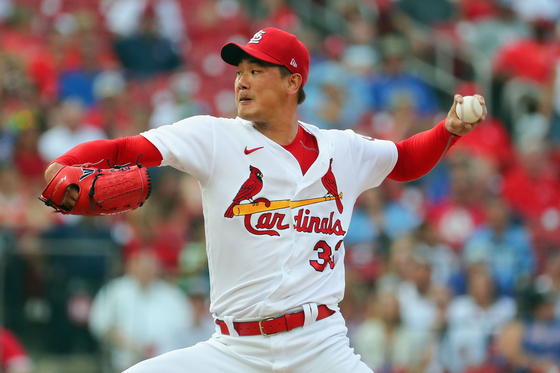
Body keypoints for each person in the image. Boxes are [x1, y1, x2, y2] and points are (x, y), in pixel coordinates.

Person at [43, 27, 486, 373]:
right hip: (235, 350)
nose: (242, 81)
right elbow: (125, 150)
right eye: (240, 71)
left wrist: (447, 131)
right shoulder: (215, 138)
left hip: (320, 345)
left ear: (293, 81)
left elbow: (405, 160)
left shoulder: (342, 149)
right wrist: (61, 163)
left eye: (257, 71)